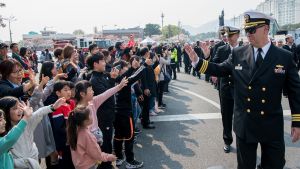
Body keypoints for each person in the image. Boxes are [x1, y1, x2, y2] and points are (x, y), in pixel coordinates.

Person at [185, 11, 300, 169]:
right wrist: (198, 62)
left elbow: (295, 92)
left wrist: (297, 121)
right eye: (246, 31)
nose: (248, 34)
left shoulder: (284, 57)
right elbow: (219, 69)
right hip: (246, 123)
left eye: (252, 30)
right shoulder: (238, 53)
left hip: (271, 123)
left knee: (275, 164)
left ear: (266, 29)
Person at [0, 96, 66, 168]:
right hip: (17, 165)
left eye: (20, 107)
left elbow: (39, 113)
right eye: (15, 108)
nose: (19, 110)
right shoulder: (3, 129)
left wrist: (53, 107)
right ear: (5, 112)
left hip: (32, 163)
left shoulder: (27, 122)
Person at [87, 53, 119, 169]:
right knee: (105, 143)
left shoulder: (102, 75)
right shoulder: (94, 80)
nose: (105, 63)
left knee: (107, 141)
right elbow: (105, 96)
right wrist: (112, 79)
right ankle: (106, 166)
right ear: (95, 64)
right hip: (103, 117)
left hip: (108, 115)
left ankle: (107, 164)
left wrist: (112, 78)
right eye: (102, 61)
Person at [212, 26, 240, 153]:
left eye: (230, 35)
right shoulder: (221, 49)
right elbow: (215, 63)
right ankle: (227, 140)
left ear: (237, 35)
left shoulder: (245, 49)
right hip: (225, 87)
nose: (227, 38)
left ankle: (241, 141)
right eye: (226, 36)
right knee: (226, 115)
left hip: (240, 88)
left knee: (241, 116)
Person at [113, 59, 145, 169]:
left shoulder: (112, 80)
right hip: (126, 114)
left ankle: (118, 158)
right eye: (125, 67)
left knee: (117, 137)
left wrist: (132, 67)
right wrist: (144, 65)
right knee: (129, 137)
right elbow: (135, 76)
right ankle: (130, 161)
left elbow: (130, 74)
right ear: (120, 70)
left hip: (116, 113)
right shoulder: (124, 81)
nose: (127, 69)